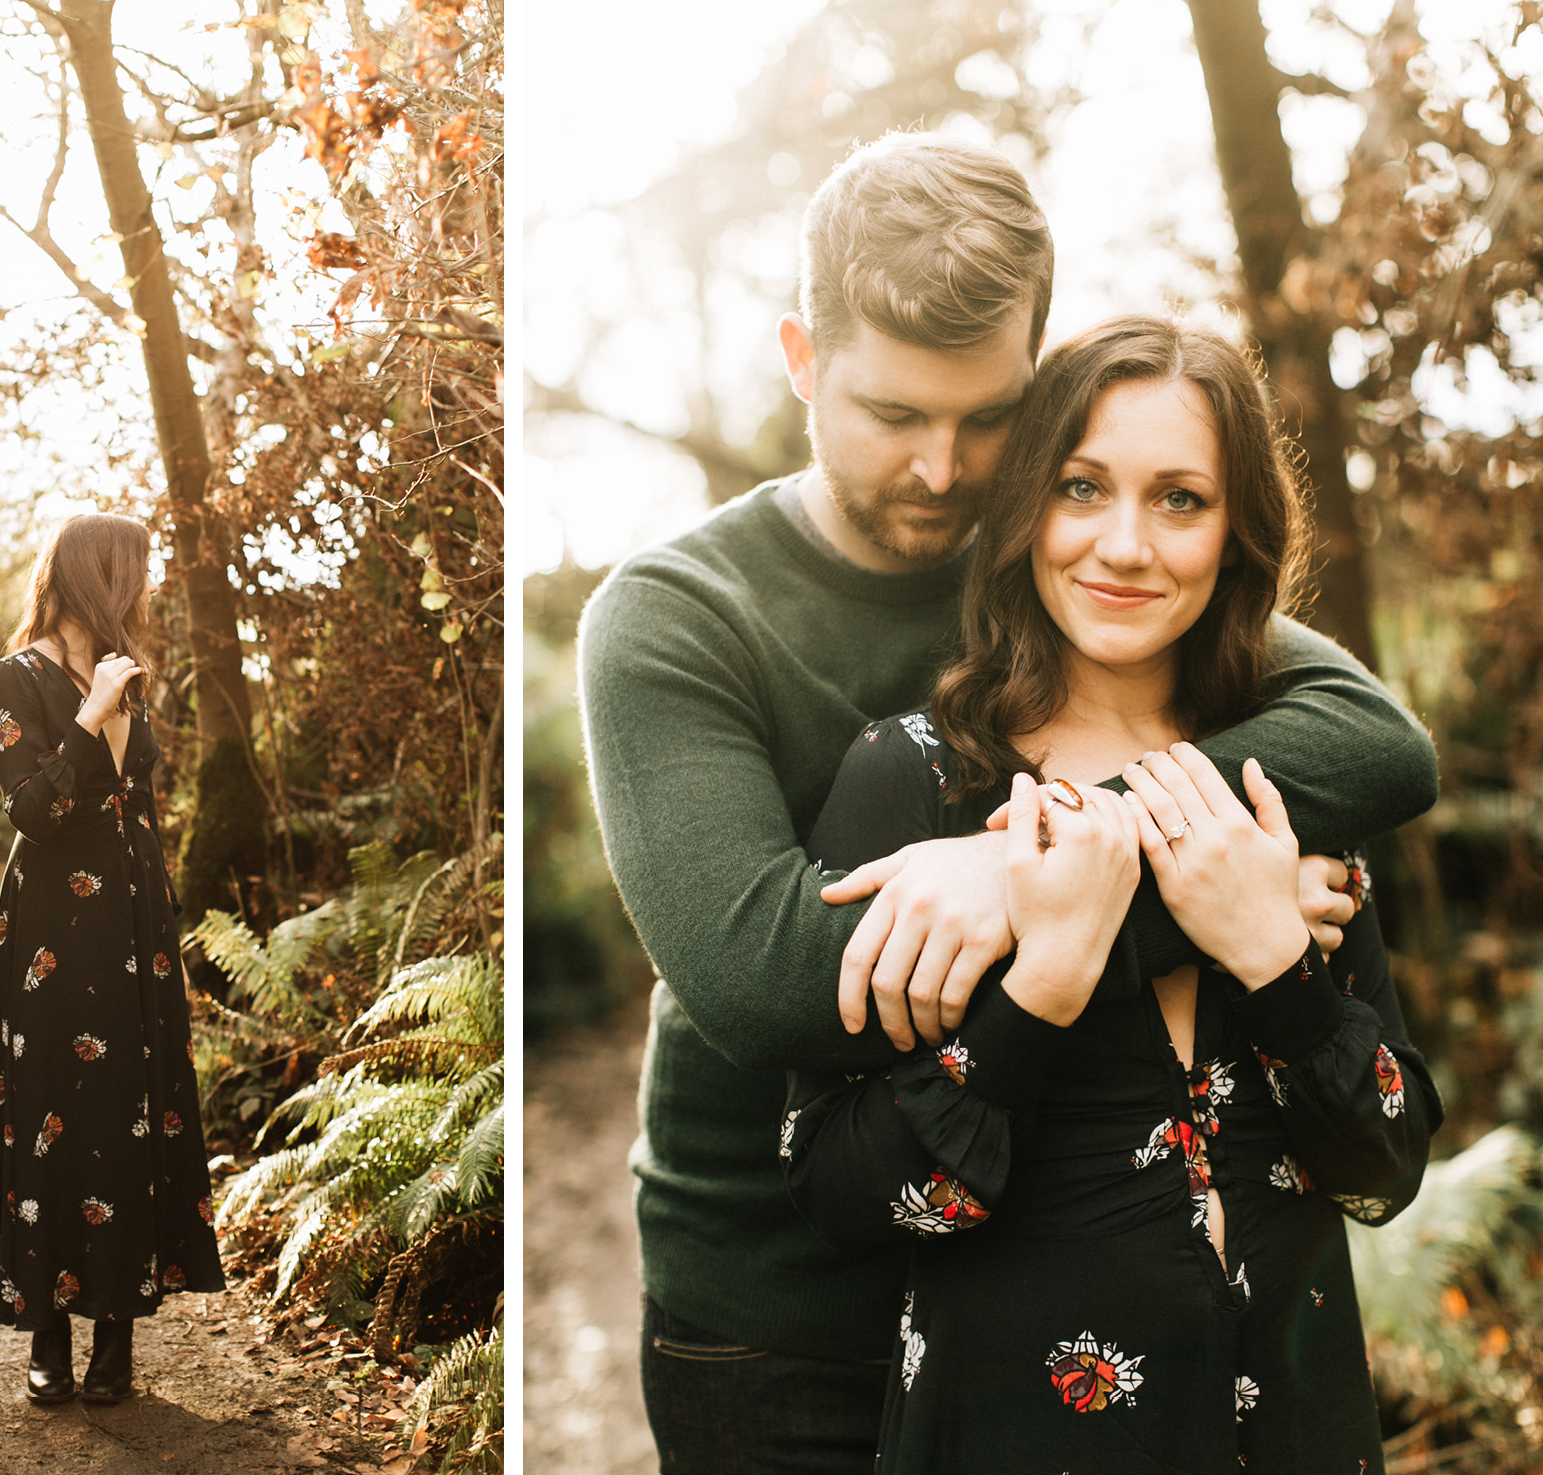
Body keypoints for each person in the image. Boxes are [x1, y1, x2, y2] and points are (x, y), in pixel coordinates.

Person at [575, 134, 1441, 1472]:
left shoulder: (1090, 547)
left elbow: (1374, 741)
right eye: (891, 414)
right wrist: (1090, 886)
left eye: (986, 419)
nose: (941, 468)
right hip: (782, 1313)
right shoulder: (681, 612)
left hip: (1081, 1315)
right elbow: (765, 976)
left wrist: (1059, 862)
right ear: (804, 361)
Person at [784, 316, 1440, 1470]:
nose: (1124, 544)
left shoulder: (1284, 776)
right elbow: (842, 1196)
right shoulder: (921, 782)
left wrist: (1273, 962)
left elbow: (1386, 1162)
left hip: (1296, 1427)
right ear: (1025, 505)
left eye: (1179, 498)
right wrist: (1037, 987)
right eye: (1081, 488)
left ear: (1236, 528)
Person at [0, 513, 225, 1405]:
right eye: (139, 573)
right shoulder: (18, 676)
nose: (148, 590)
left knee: (125, 1112)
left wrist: (158, 913)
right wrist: (90, 715)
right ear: (100, 576)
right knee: (45, 1104)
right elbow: (33, 811)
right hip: (46, 926)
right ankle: (46, 1326)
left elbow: (136, 796)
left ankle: (115, 1324)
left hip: (128, 925)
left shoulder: (130, 677)